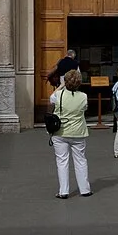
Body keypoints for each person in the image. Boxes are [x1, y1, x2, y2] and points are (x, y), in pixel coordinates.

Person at [48, 69, 91, 198]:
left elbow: (51, 99)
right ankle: (85, 189)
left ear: (65, 81)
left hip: (60, 132)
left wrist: (61, 86)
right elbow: (84, 108)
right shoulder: (83, 96)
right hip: (78, 132)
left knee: (62, 161)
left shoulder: (58, 95)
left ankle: (63, 191)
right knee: (81, 160)